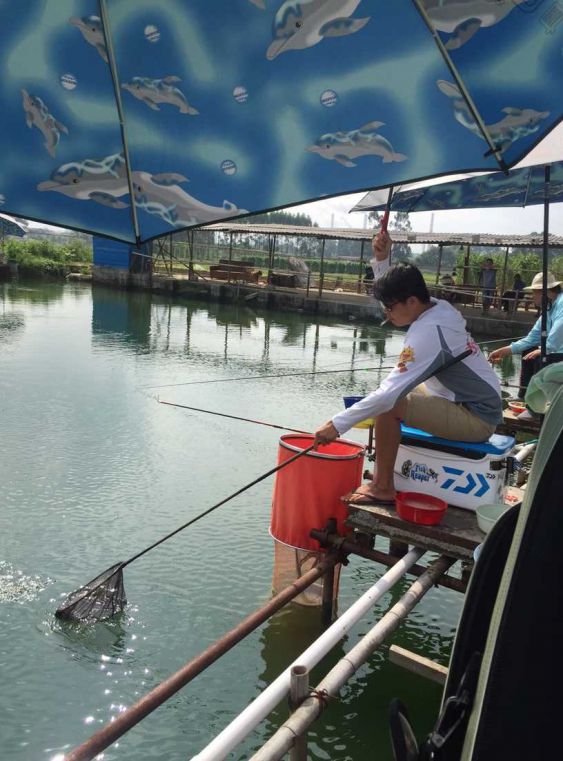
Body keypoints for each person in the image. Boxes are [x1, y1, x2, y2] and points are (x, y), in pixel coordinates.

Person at [314, 262, 503, 504]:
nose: (387, 313)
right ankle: (386, 464)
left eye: (389, 307)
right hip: (463, 399)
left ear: (412, 301)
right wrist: (382, 263)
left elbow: (387, 397)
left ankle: (383, 487)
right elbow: (400, 297)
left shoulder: (430, 331)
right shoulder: (437, 307)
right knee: (388, 394)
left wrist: (336, 424)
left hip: (477, 418)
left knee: (388, 403)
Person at [489, 271, 563, 401]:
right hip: (555, 351)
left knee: (541, 357)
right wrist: (505, 351)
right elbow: (532, 338)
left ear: (543, 291)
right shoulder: (549, 308)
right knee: (528, 352)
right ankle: (524, 399)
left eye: (534, 292)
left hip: (558, 353)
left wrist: (546, 348)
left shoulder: (562, 303)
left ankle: (537, 405)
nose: (533, 297)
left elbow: (560, 328)